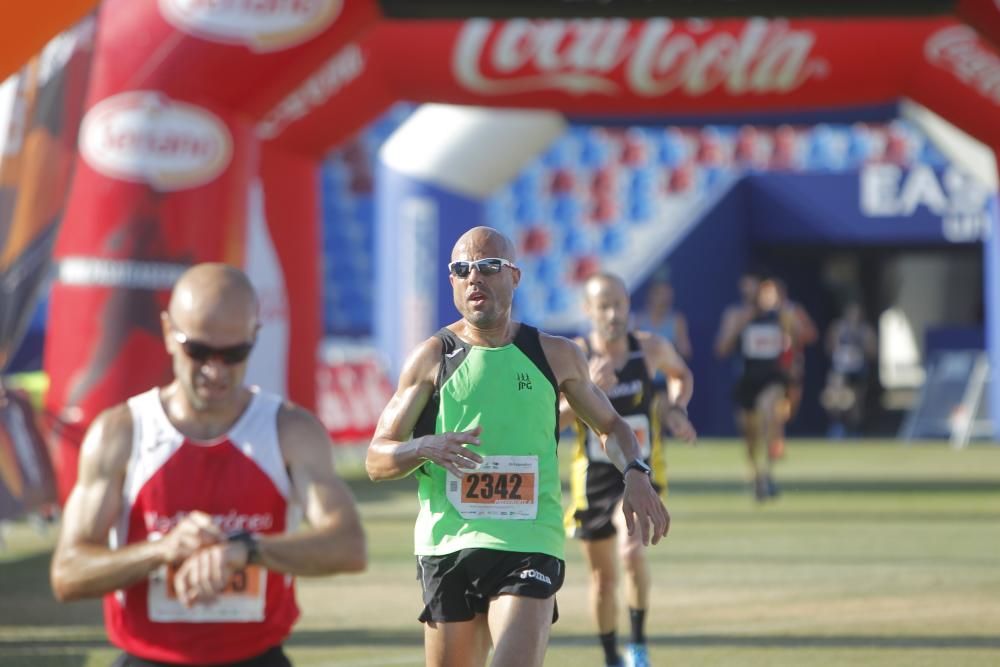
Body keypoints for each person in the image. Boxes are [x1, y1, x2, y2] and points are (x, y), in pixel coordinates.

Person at [366, 227, 670, 667]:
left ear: (515, 277)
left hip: (529, 541)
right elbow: (377, 458)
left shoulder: (556, 354)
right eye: (462, 269)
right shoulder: (432, 358)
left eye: (488, 266)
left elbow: (612, 426)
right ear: (451, 281)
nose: (475, 278)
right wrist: (424, 447)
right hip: (448, 545)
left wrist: (637, 473)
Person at [50, 263, 367, 667]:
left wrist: (243, 550)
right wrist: (163, 550)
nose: (214, 371)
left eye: (234, 353)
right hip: (147, 658)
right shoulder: (121, 433)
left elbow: (348, 546)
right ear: (168, 332)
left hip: (257, 658)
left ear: (254, 337)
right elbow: (68, 572)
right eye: (197, 350)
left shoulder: (290, 431)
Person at [562, 273, 696, 667]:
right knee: (603, 579)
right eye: (603, 306)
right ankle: (610, 656)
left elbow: (681, 374)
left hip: (639, 473)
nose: (613, 314)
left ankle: (637, 646)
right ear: (588, 311)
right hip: (594, 479)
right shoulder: (574, 357)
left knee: (632, 551)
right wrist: (586, 394)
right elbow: (549, 422)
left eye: (619, 304)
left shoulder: (649, 348)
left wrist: (676, 407)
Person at [715, 277, 798, 502]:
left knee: (768, 415)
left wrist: (792, 379)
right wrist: (739, 326)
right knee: (750, 432)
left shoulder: (780, 316)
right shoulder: (736, 315)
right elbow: (721, 349)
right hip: (747, 381)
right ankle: (756, 474)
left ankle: (768, 475)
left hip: (772, 378)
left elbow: (792, 345)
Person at [633, 279, 692, 436]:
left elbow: (685, 350)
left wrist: (668, 352)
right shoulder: (639, 320)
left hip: (665, 381)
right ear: (651, 295)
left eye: (667, 293)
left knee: (662, 412)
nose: (664, 297)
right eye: (660, 293)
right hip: (643, 380)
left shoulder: (676, 320)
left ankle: (658, 447)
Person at [773, 278, 818, 456]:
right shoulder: (764, 313)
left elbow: (811, 334)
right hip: (772, 365)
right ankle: (776, 441)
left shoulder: (793, 311)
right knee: (773, 402)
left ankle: (777, 432)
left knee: (790, 406)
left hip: (791, 363)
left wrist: (797, 332)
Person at [822, 301, 877, 438]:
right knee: (834, 398)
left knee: (856, 403)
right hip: (841, 369)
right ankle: (837, 426)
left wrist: (861, 350)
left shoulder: (865, 331)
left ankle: (854, 431)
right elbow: (829, 347)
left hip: (857, 371)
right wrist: (841, 352)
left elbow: (873, 352)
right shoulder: (838, 328)